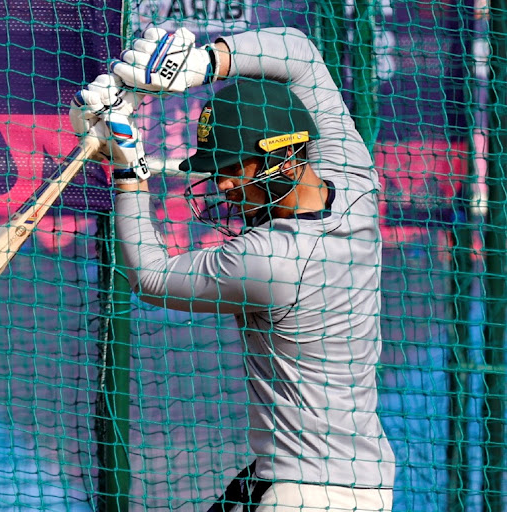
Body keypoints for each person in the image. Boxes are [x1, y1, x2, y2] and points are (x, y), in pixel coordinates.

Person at [70, 26, 396, 512]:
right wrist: (201, 66)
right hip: (356, 484)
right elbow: (300, 53)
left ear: (284, 160)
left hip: (304, 495)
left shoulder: (270, 260)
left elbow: (152, 277)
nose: (220, 186)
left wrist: (126, 171)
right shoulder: (355, 185)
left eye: (231, 168)